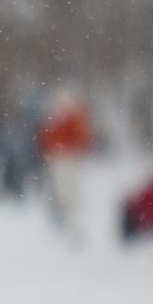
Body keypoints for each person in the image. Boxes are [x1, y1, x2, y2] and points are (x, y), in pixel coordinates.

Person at [38, 88, 95, 239]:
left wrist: (69, 151)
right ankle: (64, 223)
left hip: (69, 160)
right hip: (59, 160)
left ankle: (74, 225)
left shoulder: (73, 118)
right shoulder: (55, 119)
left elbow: (81, 139)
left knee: (71, 194)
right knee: (62, 193)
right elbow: (46, 139)